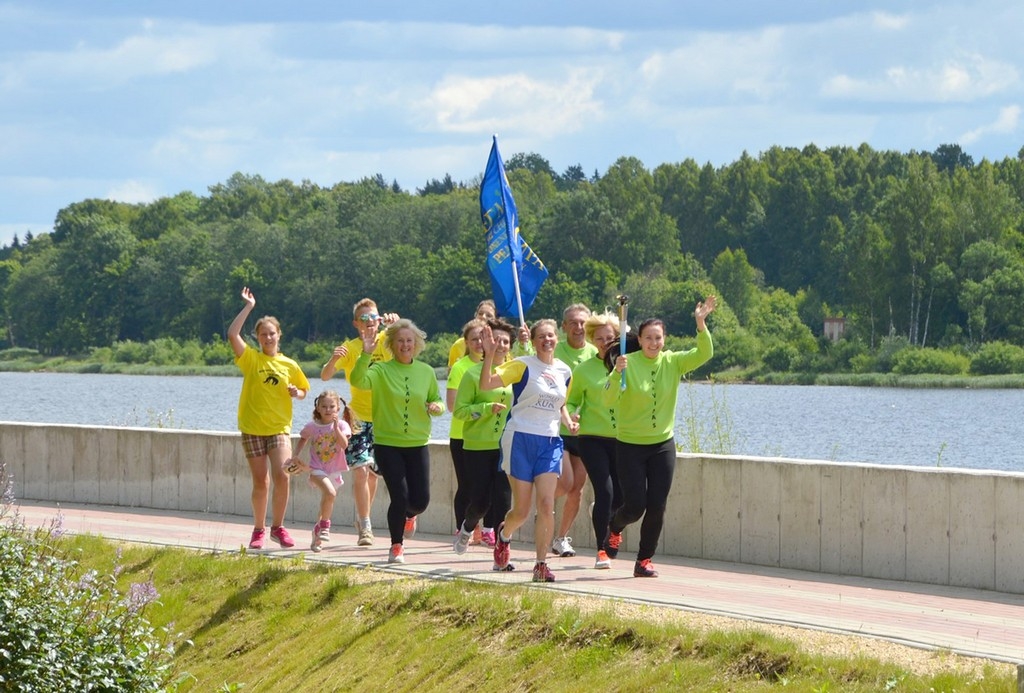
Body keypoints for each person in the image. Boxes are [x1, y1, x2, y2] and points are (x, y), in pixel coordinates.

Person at [605, 296, 716, 577]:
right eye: (648, 338)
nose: (654, 343)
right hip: (630, 445)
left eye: (658, 338)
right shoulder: (626, 362)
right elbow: (608, 398)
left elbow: (704, 354)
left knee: (657, 505)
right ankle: (615, 526)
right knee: (635, 506)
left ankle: (644, 560)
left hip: (662, 445)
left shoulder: (673, 362)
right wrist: (616, 374)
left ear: (664, 339)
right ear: (639, 340)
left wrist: (700, 324)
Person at [482, 319, 578, 583]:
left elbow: (560, 403)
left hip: (549, 441)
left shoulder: (565, 371)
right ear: (533, 341)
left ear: (557, 339)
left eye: (551, 335)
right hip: (520, 438)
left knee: (547, 504)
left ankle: (541, 564)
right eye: (541, 337)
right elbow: (487, 384)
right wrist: (490, 355)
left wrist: (569, 421)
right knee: (521, 512)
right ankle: (504, 535)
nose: (547, 340)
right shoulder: (522, 364)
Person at [349, 318, 445, 564]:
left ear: (417, 344)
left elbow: (439, 402)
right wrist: (365, 354)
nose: (405, 345)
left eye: (409, 341)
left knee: (420, 501)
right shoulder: (380, 370)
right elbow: (358, 380)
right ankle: (396, 546)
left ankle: (410, 515)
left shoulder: (426, 372)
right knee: (399, 497)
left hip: (417, 443)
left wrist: (435, 407)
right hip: (387, 444)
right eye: (400, 341)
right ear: (392, 344)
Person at [227, 287, 310, 550]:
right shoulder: (251, 359)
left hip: (278, 428)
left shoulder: (290, 364)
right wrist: (248, 307)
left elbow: (304, 391)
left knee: (283, 475)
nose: (268, 337)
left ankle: (279, 527)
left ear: (279, 335)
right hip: (252, 428)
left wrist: (298, 393)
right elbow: (232, 334)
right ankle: (259, 530)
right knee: (261, 481)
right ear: (259, 338)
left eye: (272, 333)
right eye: (263, 334)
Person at [320, 298, 399, 546]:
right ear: (356, 323)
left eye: (373, 318)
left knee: (374, 475)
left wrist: (398, 325)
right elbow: (324, 375)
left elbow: (410, 351)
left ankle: (362, 517)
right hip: (358, 419)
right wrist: (333, 360)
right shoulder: (351, 347)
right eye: (363, 319)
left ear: (379, 319)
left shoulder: (388, 340)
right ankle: (365, 526)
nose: (369, 323)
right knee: (361, 471)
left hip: (384, 417)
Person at [451, 318, 515, 566]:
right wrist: (486, 408)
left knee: (503, 501)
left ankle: (501, 553)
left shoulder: (514, 371)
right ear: (485, 343)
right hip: (477, 447)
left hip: (505, 447)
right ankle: (467, 527)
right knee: (480, 502)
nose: (500, 345)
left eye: (505, 341)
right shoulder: (472, 374)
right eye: (495, 340)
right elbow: (460, 411)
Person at [565, 311, 623, 569]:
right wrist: (574, 414)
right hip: (592, 438)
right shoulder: (583, 369)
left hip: (623, 438)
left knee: (622, 498)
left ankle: (608, 521)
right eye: (599, 338)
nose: (604, 342)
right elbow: (572, 400)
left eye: (609, 337)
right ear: (592, 339)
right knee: (605, 491)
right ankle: (601, 549)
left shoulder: (626, 364)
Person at [550, 304, 598, 558]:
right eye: (573, 323)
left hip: (585, 430)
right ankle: (544, 503)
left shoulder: (595, 353)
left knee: (577, 488)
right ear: (564, 326)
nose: (578, 328)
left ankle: (560, 538)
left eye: (582, 323)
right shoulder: (554, 352)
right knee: (566, 482)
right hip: (556, 428)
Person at [286, 390, 354, 552]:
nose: (328, 410)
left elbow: (344, 445)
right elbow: (303, 438)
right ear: (317, 407)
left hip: (334, 470)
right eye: (324, 406)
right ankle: (325, 527)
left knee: (327, 501)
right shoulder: (312, 426)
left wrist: (336, 427)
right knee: (330, 493)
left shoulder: (343, 425)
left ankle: (317, 535)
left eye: (332, 407)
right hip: (316, 469)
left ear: (338, 409)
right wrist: (295, 456)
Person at [447, 318, 487, 545]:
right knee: (466, 485)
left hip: (488, 436)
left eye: (482, 338)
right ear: (466, 342)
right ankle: (462, 527)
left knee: (485, 485)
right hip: (462, 435)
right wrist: (482, 411)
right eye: (474, 339)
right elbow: (452, 405)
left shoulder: (496, 364)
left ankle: (484, 528)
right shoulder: (460, 368)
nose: (479, 343)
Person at [447, 300, 497, 372]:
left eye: (489, 315)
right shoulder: (459, 345)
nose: (483, 317)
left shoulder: (500, 345)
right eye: (480, 313)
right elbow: (451, 373)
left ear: (496, 320)